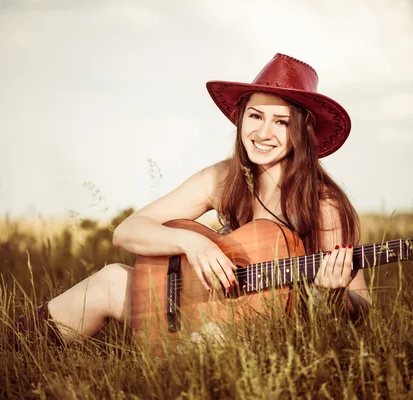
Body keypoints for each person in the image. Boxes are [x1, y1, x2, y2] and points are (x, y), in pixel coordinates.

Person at [21, 53, 371, 346]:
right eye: (255, 116)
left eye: (281, 122)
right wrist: (191, 242)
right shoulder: (223, 178)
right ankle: (6, 350)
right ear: (240, 118)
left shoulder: (323, 205)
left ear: (302, 131)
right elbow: (127, 231)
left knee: (211, 337)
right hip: (204, 309)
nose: (263, 133)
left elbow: (362, 305)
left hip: (276, 335)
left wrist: (336, 294)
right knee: (111, 278)